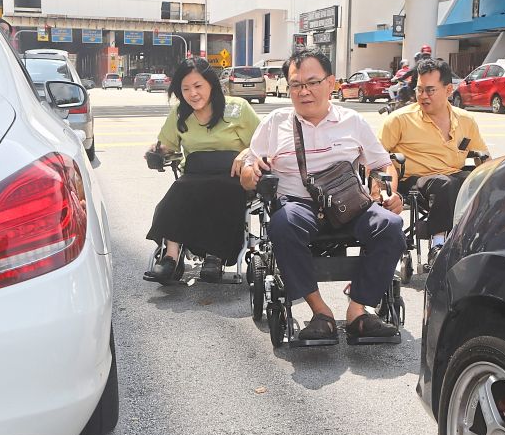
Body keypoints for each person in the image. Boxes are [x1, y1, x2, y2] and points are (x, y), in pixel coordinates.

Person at [241, 48, 405, 343]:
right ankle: (321, 313)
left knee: (390, 226)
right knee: (283, 223)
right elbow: (248, 170)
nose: (304, 91)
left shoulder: (352, 121)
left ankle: (358, 311)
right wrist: (251, 172)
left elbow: (383, 165)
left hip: (348, 203)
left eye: (313, 82)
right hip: (298, 205)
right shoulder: (275, 122)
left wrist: (388, 192)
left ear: (331, 83)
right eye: (296, 84)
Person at [145, 57, 260, 284]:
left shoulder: (238, 108)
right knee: (179, 190)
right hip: (195, 174)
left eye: (198, 86)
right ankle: (170, 258)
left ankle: (215, 256)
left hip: (231, 175)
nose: (193, 93)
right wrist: (156, 152)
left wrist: (247, 153)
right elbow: (167, 145)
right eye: (185, 89)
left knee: (222, 191)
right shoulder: (180, 113)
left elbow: (263, 142)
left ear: (211, 84)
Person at [378, 57, 489, 258]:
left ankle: (473, 242)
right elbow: (377, 157)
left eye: (430, 90)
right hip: (416, 181)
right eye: (419, 90)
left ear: (448, 90)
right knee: (445, 184)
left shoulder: (466, 120)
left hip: (453, 176)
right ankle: (438, 245)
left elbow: (484, 157)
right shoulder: (400, 120)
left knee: (478, 184)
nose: (423, 96)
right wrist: (384, 191)